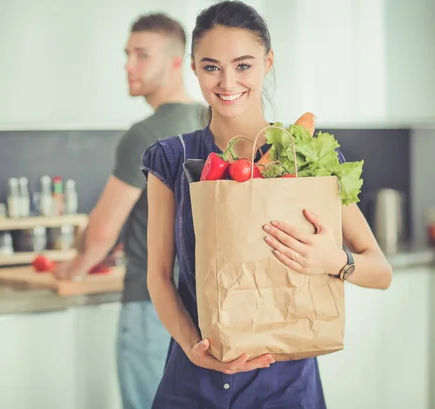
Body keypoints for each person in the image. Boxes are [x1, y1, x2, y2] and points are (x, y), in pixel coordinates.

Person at [141, 1, 394, 408]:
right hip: (192, 384)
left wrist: (334, 260)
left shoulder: (309, 156)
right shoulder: (171, 158)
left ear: (267, 62)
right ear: (193, 67)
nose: (227, 82)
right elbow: (157, 276)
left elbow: (380, 271)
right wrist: (192, 348)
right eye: (211, 67)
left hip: (286, 389)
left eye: (243, 66)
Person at [54, 12, 207, 409]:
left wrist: (72, 270)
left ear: (176, 63)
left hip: (151, 305)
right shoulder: (209, 121)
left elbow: (103, 231)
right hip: (205, 308)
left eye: (142, 55)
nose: (128, 65)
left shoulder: (144, 134)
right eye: (127, 54)